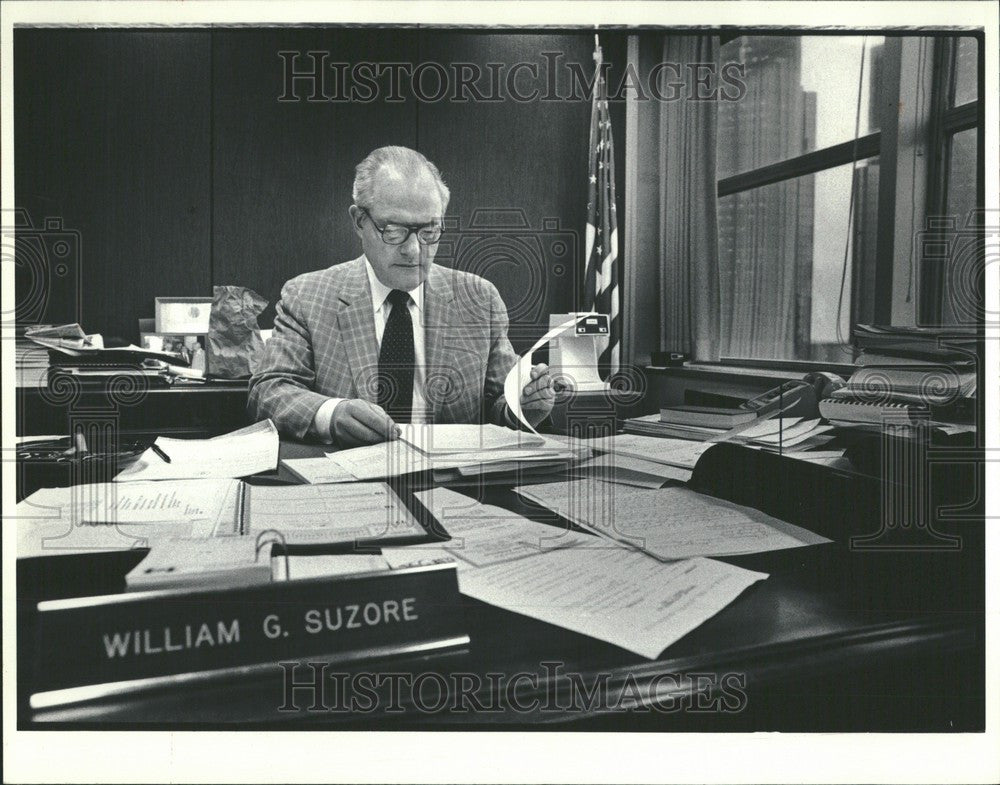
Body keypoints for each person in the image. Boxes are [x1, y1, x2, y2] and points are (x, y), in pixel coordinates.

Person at [248, 146, 555, 446]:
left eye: (429, 231)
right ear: (359, 221)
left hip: (452, 486)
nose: (413, 250)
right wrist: (330, 414)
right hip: (349, 484)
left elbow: (497, 405)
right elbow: (270, 390)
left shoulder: (479, 299)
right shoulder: (308, 296)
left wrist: (525, 406)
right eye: (392, 230)